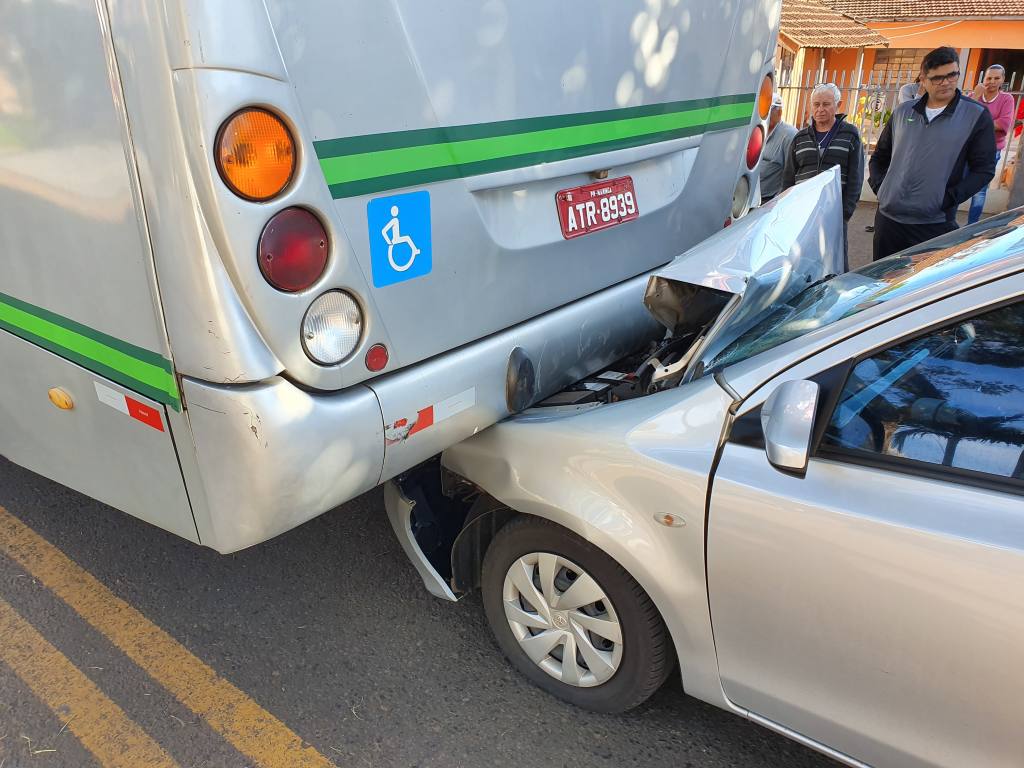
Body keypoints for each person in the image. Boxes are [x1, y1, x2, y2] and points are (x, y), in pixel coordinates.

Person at [869, 46, 996, 261]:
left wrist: (946, 199)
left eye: (952, 75)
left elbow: (984, 169)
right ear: (923, 80)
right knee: (881, 287)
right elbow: (880, 155)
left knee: (923, 291)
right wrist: (881, 188)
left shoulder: (976, 115)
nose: (946, 82)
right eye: (937, 78)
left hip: (933, 224)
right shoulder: (903, 112)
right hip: (888, 221)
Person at [783, 82, 863, 269]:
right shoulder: (800, 138)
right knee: (800, 263)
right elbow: (788, 177)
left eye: (826, 104)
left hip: (834, 214)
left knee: (833, 264)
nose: (820, 109)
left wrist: (845, 213)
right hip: (802, 215)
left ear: (838, 105)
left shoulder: (850, 134)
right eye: (816, 104)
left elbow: (855, 177)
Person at [967, 65, 1015, 224]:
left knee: (979, 191)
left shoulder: (1006, 99)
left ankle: (971, 226)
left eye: (996, 78)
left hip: (990, 150)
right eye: (989, 78)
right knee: (955, 183)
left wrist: (976, 122)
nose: (992, 82)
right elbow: (963, 118)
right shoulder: (974, 96)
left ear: (1002, 80)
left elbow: (1004, 124)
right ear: (983, 79)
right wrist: (975, 96)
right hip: (968, 150)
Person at [757, 93, 797, 203]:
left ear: (779, 112)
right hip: (749, 197)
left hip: (769, 201)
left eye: (767, 110)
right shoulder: (756, 130)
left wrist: (777, 201)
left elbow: (792, 173)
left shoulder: (789, 135)